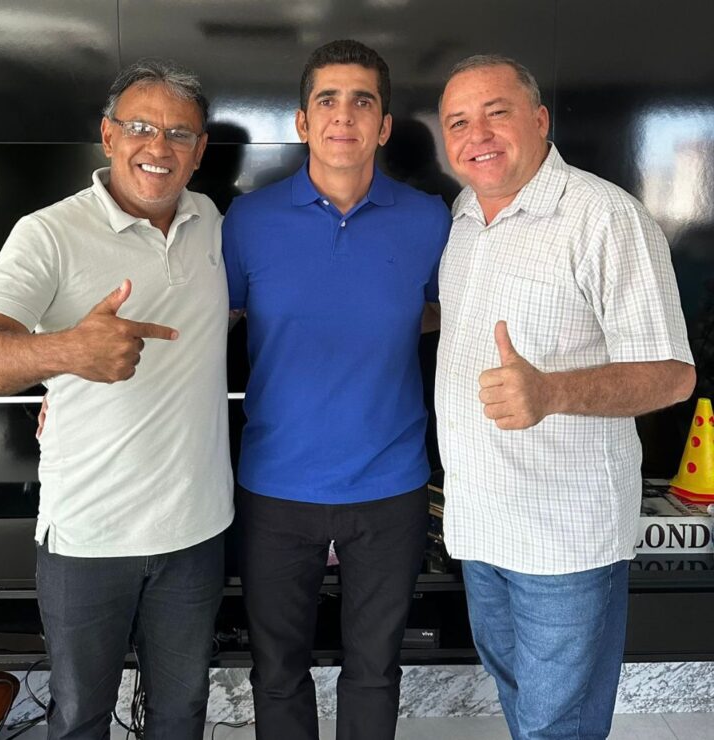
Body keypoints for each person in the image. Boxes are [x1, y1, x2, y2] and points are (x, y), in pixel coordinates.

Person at [0, 60, 233, 739]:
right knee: (78, 717)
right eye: (139, 127)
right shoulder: (48, 232)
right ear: (108, 135)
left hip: (197, 533)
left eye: (179, 133)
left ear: (199, 151)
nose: (158, 147)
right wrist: (66, 352)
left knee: (182, 713)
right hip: (88, 537)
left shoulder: (213, 220)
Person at [435, 54, 696, 739]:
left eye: (497, 112)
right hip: (478, 523)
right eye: (458, 120)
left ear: (540, 119)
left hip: (565, 536)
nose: (477, 133)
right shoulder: (463, 217)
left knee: (559, 723)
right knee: (526, 704)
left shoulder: (604, 217)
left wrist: (549, 392)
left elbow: (672, 373)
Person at [222, 39, 452, 740]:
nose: (343, 115)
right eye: (327, 99)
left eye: (362, 101)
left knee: (376, 669)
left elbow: (452, 313)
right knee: (277, 671)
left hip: (391, 487)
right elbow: (203, 331)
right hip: (274, 487)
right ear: (301, 121)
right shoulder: (248, 222)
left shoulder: (432, 220)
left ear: (384, 125)